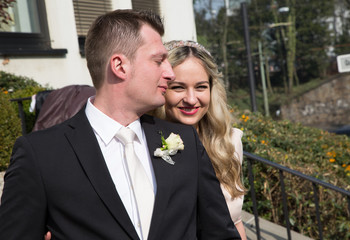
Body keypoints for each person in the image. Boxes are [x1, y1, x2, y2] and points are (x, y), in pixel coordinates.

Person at [0, 10, 241, 240]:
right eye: (159, 60)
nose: (169, 72)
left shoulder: (185, 141)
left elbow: (219, 233)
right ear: (119, 66)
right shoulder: (40, 155)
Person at [151, 40, 247, 239]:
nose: (191, 99)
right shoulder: (143, 142)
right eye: (178, 87)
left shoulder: (229, 141)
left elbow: (235, 222)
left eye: (201, 87)